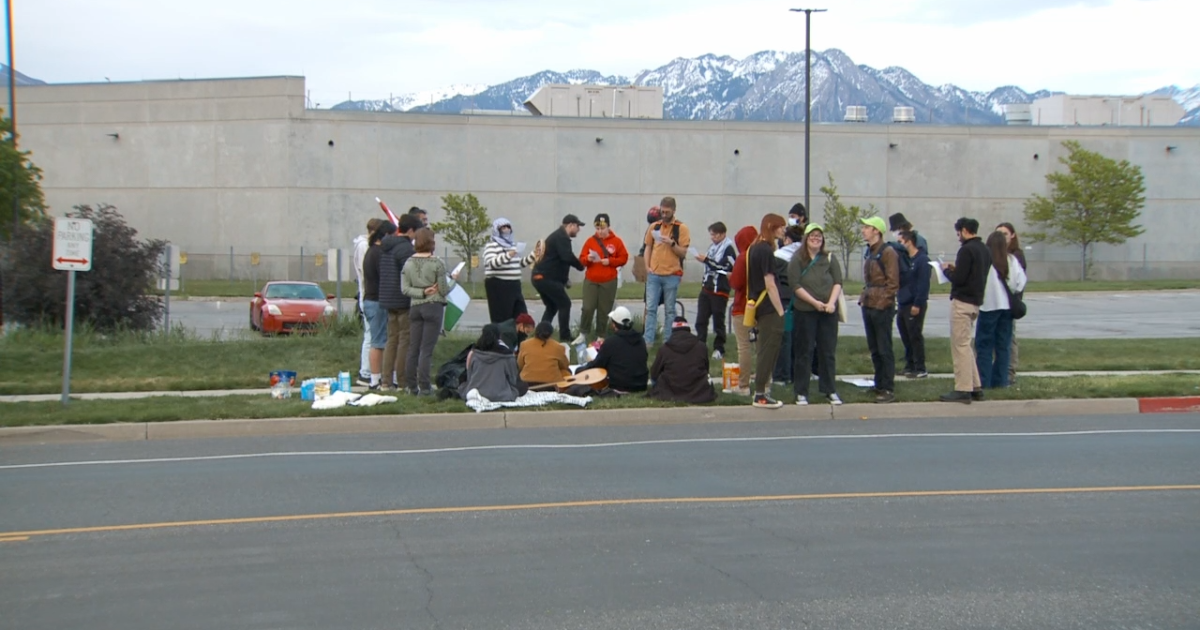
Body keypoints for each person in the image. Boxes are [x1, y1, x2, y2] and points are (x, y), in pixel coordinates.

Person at [787, 223, 844, 406]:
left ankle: (829, 389)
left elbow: (837, 282)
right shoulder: (797, 259)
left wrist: (830, 303)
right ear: (806, 238)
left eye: (819, 236)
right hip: (805, 312)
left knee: (827, 351)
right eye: (812, 236)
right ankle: (801, 391)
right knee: (805, 351)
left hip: (828, 312)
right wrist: (814, 303)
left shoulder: (828, 258)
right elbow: (795, 285)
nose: (816, 239)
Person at [401, 228, 461, 395]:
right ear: (431, 242)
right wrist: (453, 281)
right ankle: (425, 387)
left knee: (413, 348)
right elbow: (443, 290)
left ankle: (411, 386)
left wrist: (420, 292)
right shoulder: (437, 263)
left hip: (415, 307)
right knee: (426, 350)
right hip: (433, 307)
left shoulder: (408, 263)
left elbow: (404, 289)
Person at [939, 218, 992, 404]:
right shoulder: (985, 250)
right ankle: (976, 386)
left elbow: (960, 279)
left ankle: (963, 388)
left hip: (962, 302)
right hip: (976, 302)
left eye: (958, 233)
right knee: (966, 345)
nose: (958, 237)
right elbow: (972, 274)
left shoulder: (966, 250)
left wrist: (946, 270)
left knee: (959, 346)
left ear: (964, 230)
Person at [976, 231, 1028, 389]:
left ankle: (984, 380)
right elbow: (1021, 283)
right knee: (1003, 346)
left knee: (984, 347)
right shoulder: (1011, 260)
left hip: (988, 307)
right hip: (1007, 308)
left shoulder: (986, 262)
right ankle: (1001, 381)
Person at [747, 214, 787, 409]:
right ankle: (761, 393)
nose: (783, 231)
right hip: (769, 308)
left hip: (758, 305)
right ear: (772, 227)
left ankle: (761, 390)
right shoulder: (766, 250)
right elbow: (770, 283)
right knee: (768, 350)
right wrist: (781, 311)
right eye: (780, 227)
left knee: (765, 348)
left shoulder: (754, 248)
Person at [378, 215, 423, 389]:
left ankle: (386, 380)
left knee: (391, 340)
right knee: (405, 340)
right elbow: (411, 275)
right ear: (410, 230)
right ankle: (403, 381)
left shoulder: (386, 247)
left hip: (388, 298)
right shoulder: (406, 250)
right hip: (403, 299)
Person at [859, 216, 900, 404]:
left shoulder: (888, 252)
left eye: (867, 227)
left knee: (884, 348)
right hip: (868, 303)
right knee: (874, 347)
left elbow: (893, 283)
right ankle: (878, 383)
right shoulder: (869, 251)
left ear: (877, 231)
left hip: (881, 306)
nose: (863, 230)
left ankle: (888, 387)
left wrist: (883, 302)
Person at [642, 196, 691, 346]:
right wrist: (647, 267)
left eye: (667, 212)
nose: (664, 215)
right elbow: (648, 247)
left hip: (672, 274)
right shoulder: (654, 226)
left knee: (670, 310)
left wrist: (672, 244)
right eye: (662, 211)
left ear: (673, 211)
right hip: (654, 274)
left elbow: (683, 252)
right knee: (650, 308)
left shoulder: (681, 228)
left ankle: (668, 341)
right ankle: (648, 340)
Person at [532, 215, 586, 342]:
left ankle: (541, 335)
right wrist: (580, 265)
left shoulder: (558, 236)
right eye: (578, 226)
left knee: (552, 306)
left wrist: (564, 279)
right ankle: (565, 336)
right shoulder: (562, 237)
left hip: (540, 277)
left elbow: (558, 261)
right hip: (545, 277)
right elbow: (566, 257)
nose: (579, 230)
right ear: (571, 225)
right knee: (565, 303)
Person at [576, 306, 648, 393]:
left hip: (621, 385)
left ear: (614, 325)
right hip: (641, 384)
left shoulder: (611, 342)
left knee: (579, 371)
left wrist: (581, 369)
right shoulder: (641, 340)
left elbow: (598, 364)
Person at [578, 213, 629, 338]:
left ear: (608, 227)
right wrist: (588, 259)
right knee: (588, 307)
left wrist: (610, 262)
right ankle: (583, 332)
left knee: (604, 309)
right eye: (597, 228)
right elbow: (581, 259)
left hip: (608, 280)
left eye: (602, 228)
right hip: (591, 279)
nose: (600, 231)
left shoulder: (616, 241)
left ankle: (601, 334)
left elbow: (624, 258)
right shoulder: (590, 241)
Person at [482, 217, 541, 324]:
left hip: (514, 285)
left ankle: (519, 339)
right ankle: (502, 339)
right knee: (503, 319)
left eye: (508, 227)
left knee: (521, 317)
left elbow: (518, 264)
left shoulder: (512, 245)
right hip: (499, 285)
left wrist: (533, 255)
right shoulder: (491, 246)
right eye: (503, 227)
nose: (506, 230)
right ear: (497, 230)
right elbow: (491, 263)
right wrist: (508, 255)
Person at [647, 316, 717, 403]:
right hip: (698, 391)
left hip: (669, 391)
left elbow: (654, 374)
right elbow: (706, 369)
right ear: (688, 329)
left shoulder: (664, 349)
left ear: (673, 331)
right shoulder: (701, 347)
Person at [695, 222, 736, 360]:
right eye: (711, 235)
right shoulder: (712, 248)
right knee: (701, 319)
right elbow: (710, 264)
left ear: (723, 234)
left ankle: (719, 348)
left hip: (720, 290)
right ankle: (701, 345)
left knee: (718, 321)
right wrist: (706, 260)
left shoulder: (728, 249)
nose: (712, 238)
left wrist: (707, 260)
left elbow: (725, 268)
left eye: (715, 234)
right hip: (707, 288)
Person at [360, 221, 394, 390]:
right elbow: (385, 276)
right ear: (386, 236)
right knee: (379, 342)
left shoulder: (371, 251)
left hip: (370, 300)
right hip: (377, 301)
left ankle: (376, 378)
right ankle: (375, 379)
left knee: (377, 339)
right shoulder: (379, 254)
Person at [725, 225, 758, 396]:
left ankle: (744, 385)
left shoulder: (743, 258)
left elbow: (736, 283)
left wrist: (730, 277)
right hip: (761, 306)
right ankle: (764, 384)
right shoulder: (763, 255)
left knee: (744, 346)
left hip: (743, 306)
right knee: (761, 347)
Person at [772, 225, 805, 386]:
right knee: (799, 338)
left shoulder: (778, 256)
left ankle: (781, 375)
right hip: (802, 300)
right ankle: (795, 373)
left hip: (784, 300)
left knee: (784, 339)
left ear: (787, 239)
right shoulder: (805, 256)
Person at [459, 324, 525, 402]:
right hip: (502, 395)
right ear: (499, 336)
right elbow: (512, 379)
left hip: (475, 391)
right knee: (523, 386)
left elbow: (470, 377)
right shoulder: (507, 355)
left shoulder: (474, 353)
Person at [897, 229, 931, 379]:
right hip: (903, 302)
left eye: (900, 242)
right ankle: (909, 364)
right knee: (906, 335)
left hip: (914, 303)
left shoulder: (922, 260)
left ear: (909, 241)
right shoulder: (906, 260)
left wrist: (918, 303)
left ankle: (920, 367)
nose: (899, 245)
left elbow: (923, 284)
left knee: (915, 335)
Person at [996, 222, 1027, 386]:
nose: (1002, 237)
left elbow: (1017, 282)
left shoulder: (1016, 256)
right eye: (999, 234)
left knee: (1009, 339)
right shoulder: (996, 254)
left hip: (1010, 303)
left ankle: (1009, 372)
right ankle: (1000, 371)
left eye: (1005, 234)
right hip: (996, 304)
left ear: (1013, 235)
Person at [353, 218, 383, 385]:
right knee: (372, 336)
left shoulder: (363, 246)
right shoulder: (365, 247)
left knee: (371, 335)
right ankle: (366, 371)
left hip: (367, 294)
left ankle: (367, 370)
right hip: (369, 295)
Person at [517, 322, 571, 386]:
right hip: (551, 384)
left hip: (528, 383)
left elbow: (520, 365)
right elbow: (565, 365)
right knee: (566, 372)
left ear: (535, 332)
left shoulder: (524, 345)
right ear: (551, 334)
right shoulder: (558, 347)